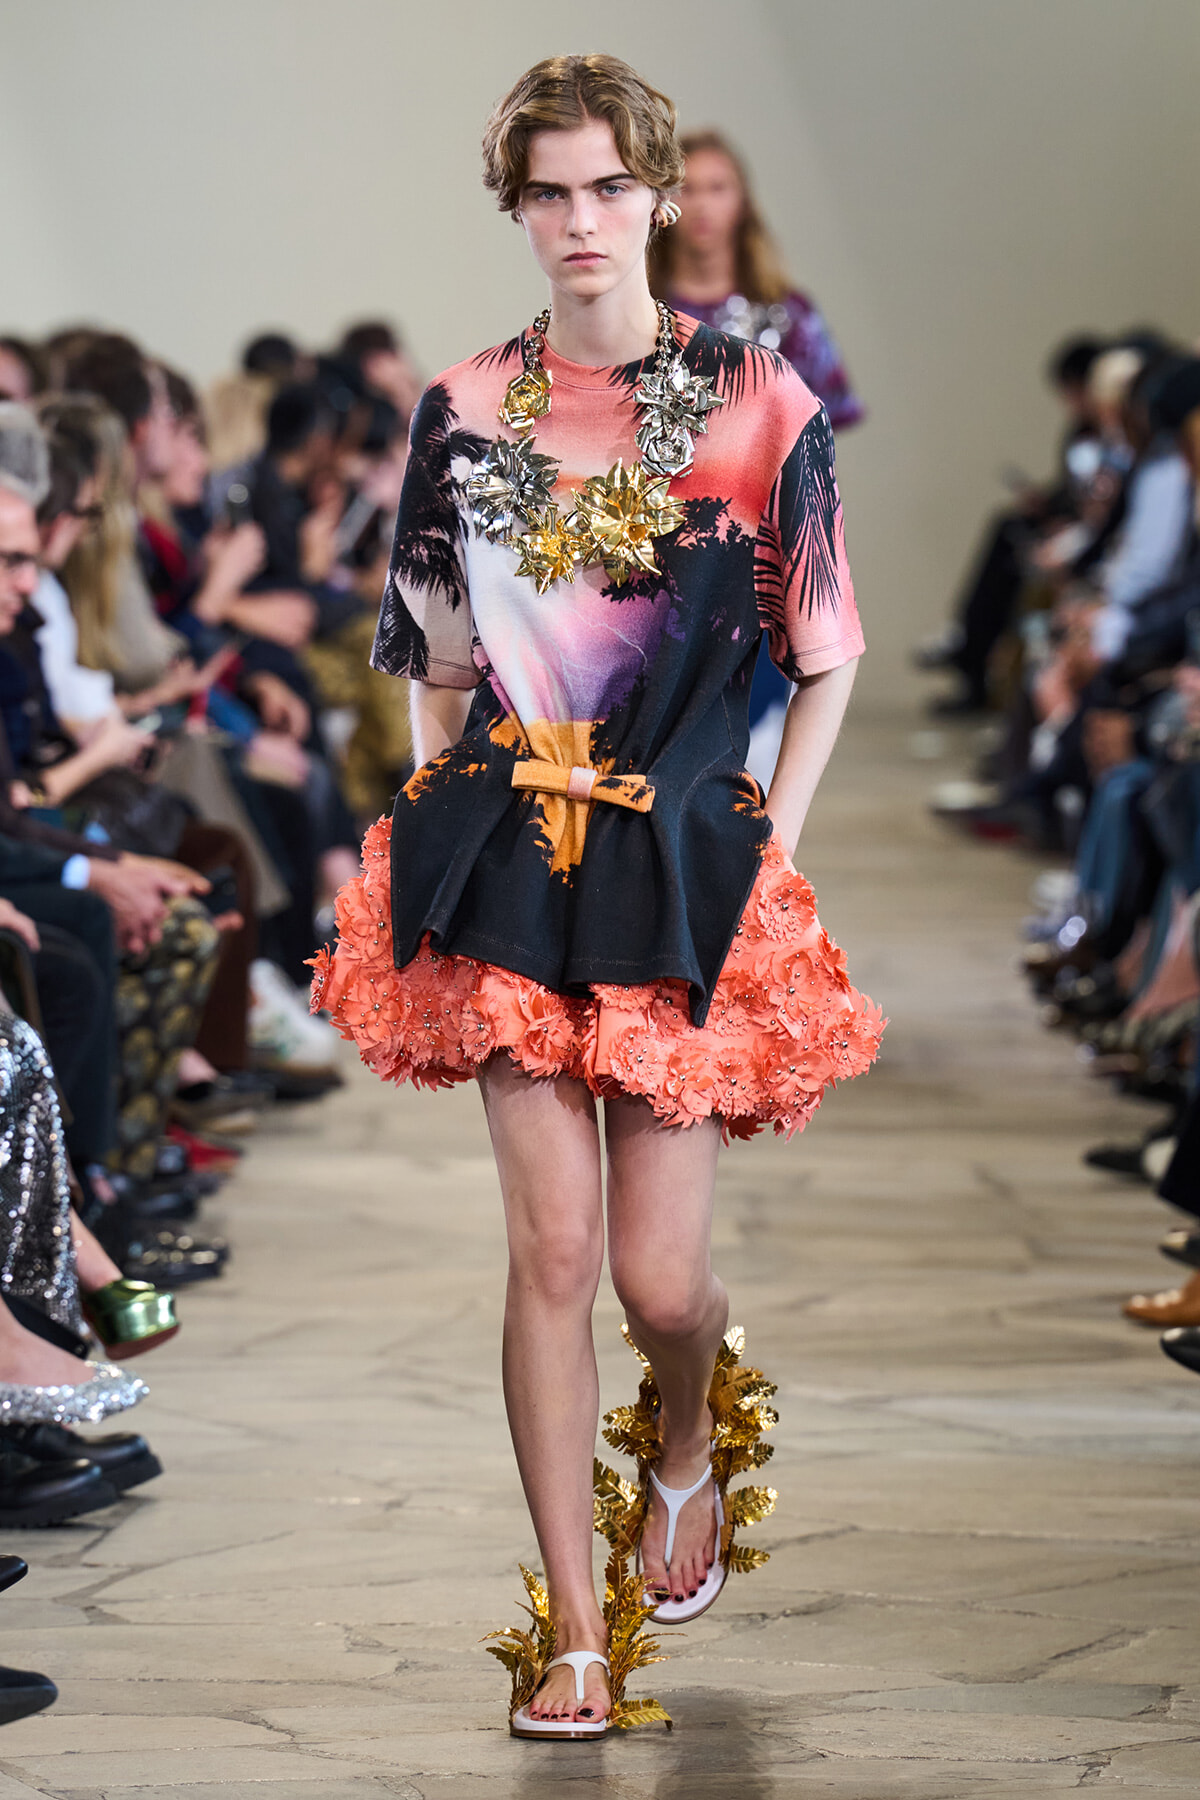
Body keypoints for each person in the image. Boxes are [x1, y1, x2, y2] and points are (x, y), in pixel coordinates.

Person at [312, 53, 882, 1738]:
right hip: (512, 853)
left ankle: (689, 1429)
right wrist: (438, 807)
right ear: (516, 207)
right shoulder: (466, 406)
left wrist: (773, 842)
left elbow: (827, 649)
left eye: (610, 187)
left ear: (658, 193)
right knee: (551, 1250)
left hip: (681, 856)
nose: (582, 220)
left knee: (659, 1281)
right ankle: (576, 1631)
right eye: (548, 192)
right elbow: (431, 652)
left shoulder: (758, 403)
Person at [649, 127, 864, 781]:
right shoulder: (637, 314)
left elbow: (821, 436)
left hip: (766, 545)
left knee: (756, 746)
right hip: (655, 545)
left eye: (718, 187)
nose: (702, 204)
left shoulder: (788, 316)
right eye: (688, 188)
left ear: (743, 201)